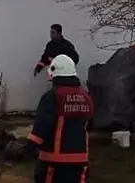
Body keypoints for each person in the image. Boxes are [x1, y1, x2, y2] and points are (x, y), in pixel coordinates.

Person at [27, 54, 93, 183]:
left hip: (54, 161)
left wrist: (28, 148)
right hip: (80, 161)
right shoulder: (86, 97)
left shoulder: (53, 96)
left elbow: (42, 125)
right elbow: (89, 124)